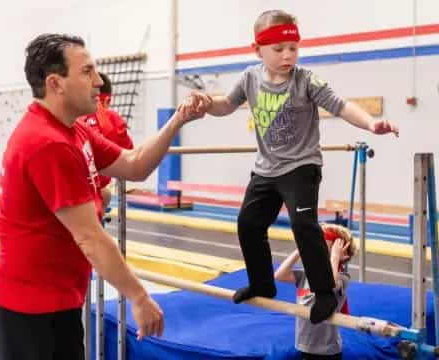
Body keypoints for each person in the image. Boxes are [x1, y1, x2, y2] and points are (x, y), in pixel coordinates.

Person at [0, 33, 199, 360]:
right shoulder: (49, 143)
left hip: (57, 301)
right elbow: (90, 237)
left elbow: (134, 164)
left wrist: (178, 120)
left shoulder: (72, 130)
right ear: (56, 83)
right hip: (33, 311)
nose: (99, 81)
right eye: (87, 71)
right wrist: (139, 296)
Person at [184, 9, 399, 324]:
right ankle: (262, 282)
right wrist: (206, 104)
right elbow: (226, 104)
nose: (288, 56)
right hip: (266, 169)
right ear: (258, 50)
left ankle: (325, 292)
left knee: (303, 227)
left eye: (293, 48)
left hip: (301, 166)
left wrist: (371, 123)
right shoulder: (249, 77)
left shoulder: (306, 80)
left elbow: (341, 105)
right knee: (248, 223)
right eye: (279, 50)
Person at [275, 224, 356, 360]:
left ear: (341, 251)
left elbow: (331, 285)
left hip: (327, 351)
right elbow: (280, 275)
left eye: (322, 243)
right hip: (304, 345)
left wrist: (335, 258)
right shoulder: (308, 273)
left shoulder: (343, 277)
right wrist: (300, 249)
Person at [78, 72, 134, 210]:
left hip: (70, 189)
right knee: (105, 193)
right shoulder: (110, 119)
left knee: (104, 192)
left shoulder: (73, 117)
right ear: (107, 101)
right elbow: (131, 156)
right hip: (86, 192)